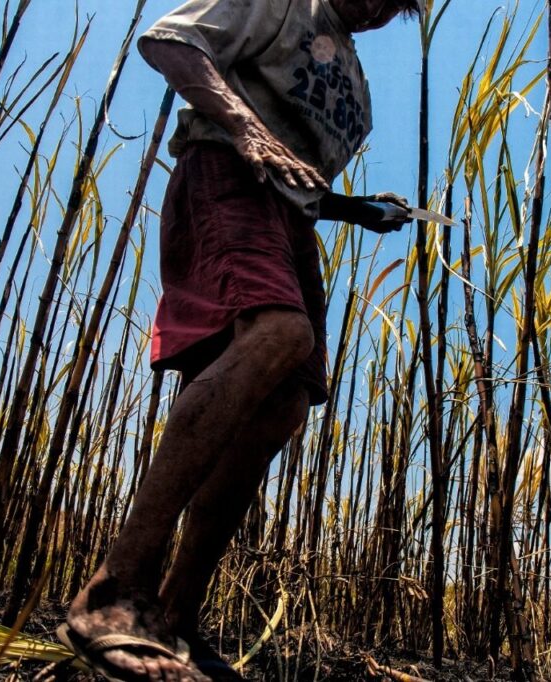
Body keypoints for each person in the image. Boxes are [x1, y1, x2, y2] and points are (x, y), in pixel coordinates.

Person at [58, 0, 420, 679]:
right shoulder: (281, 4)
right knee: (281, 332)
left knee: (284, 403)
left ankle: (174, 621)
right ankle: (113, 592)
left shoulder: (356, 85)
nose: (375, 10)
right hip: (227, 177)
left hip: (290, 222)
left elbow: (300, 173)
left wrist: (352, 208)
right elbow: (171, 42)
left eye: (392, 7)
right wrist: (245, 129)